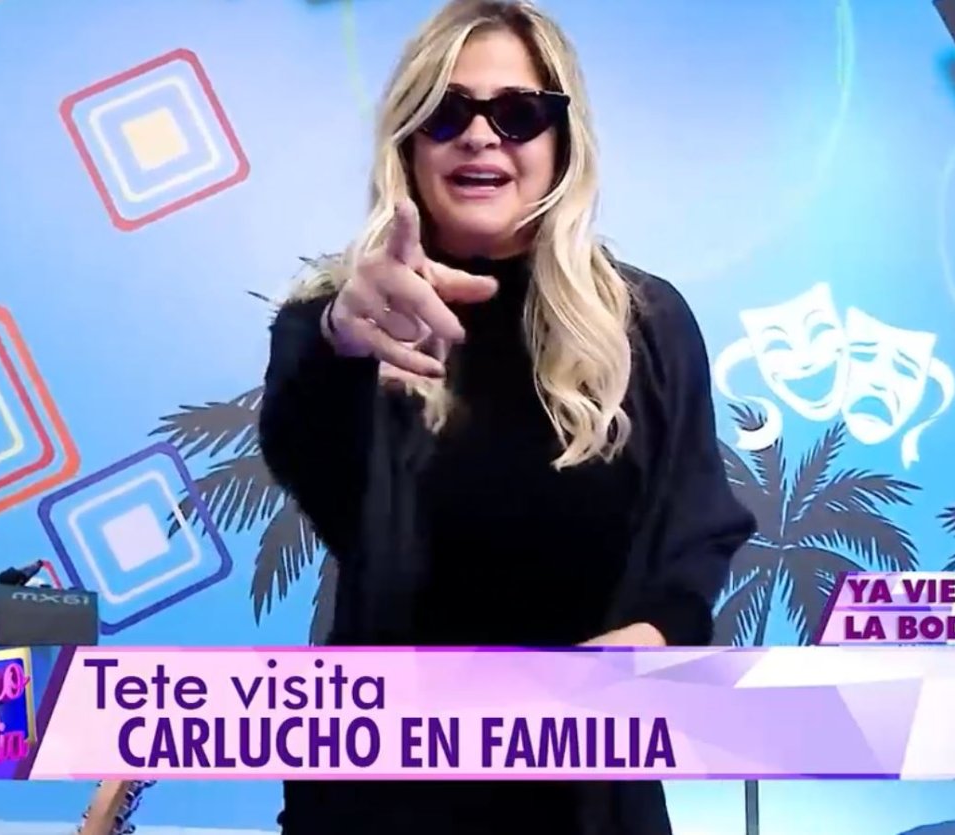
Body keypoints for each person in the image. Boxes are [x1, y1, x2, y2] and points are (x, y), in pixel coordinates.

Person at [257, 1, 757, 832]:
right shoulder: (338, 325)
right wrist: (341, 339)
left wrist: (656, 632)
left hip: (587, 795)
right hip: (383, 798)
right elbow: (309, 456)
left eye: (518, 113)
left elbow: (697, 522)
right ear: (409, 141)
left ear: (563, 140)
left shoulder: (644, 323)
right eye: (447, 112)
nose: (481, 136)